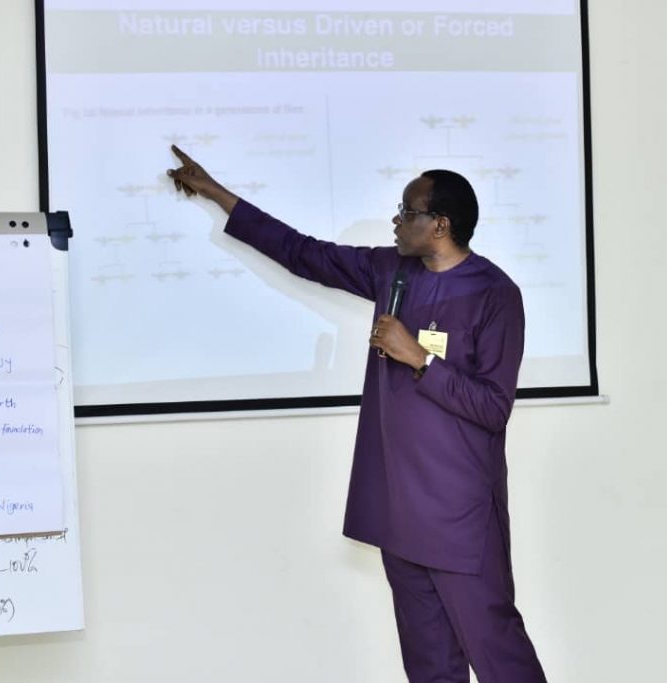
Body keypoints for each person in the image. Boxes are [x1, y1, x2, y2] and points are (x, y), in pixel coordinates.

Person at [167, 145, 547, 683]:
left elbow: (493, 406)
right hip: (401, 509)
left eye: (407, 212)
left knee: (499, 654)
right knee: (430, 665)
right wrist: (216, 193)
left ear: (440, 225)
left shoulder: (495, 295)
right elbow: (303, 253)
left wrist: (419, 357)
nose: (396, 221)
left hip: (459, 516)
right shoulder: (391, 271)